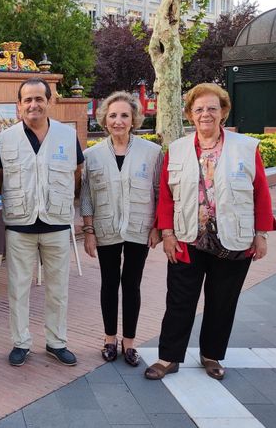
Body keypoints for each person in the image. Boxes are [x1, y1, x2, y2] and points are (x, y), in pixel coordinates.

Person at [144, 83, 276, 381]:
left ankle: (211, 355)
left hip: (233, 239)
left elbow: (261, 193)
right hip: (186, 237)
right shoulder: (177, 149)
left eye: (212, 108)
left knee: (222, 301)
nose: (205, 114)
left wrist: (261, 234)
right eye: (199, 109)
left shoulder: (246, 147)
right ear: (190, 115)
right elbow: (166, 196)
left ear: (223, 112)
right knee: (179, 299)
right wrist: (166, 233)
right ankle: (168, 357)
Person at [0, 77, 85, 367]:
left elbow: (77, 172)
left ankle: (56, 342)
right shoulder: (5, 139)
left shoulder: (67, 137)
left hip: (56, 224)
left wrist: (64, 199)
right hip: (20, 225)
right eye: (27, 100)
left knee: (58, 289)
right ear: (19, 105)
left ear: (49, 101)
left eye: (39, 99)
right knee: (18, 288)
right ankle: (21, 342)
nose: (33, 104)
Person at [80, 92, 162, 367]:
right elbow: (87, 195)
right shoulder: (91, 156)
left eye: (124, 115)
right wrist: (89, 231)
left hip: (140, 228)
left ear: (134, 119)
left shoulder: (151, 153)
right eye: (113, 115)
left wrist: (158, 227)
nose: (118, 121)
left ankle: (129, 341)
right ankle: (108, 338)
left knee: (132, 284)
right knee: (109, 282)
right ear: (104, 119)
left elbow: (159, 191)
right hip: (106, 228)